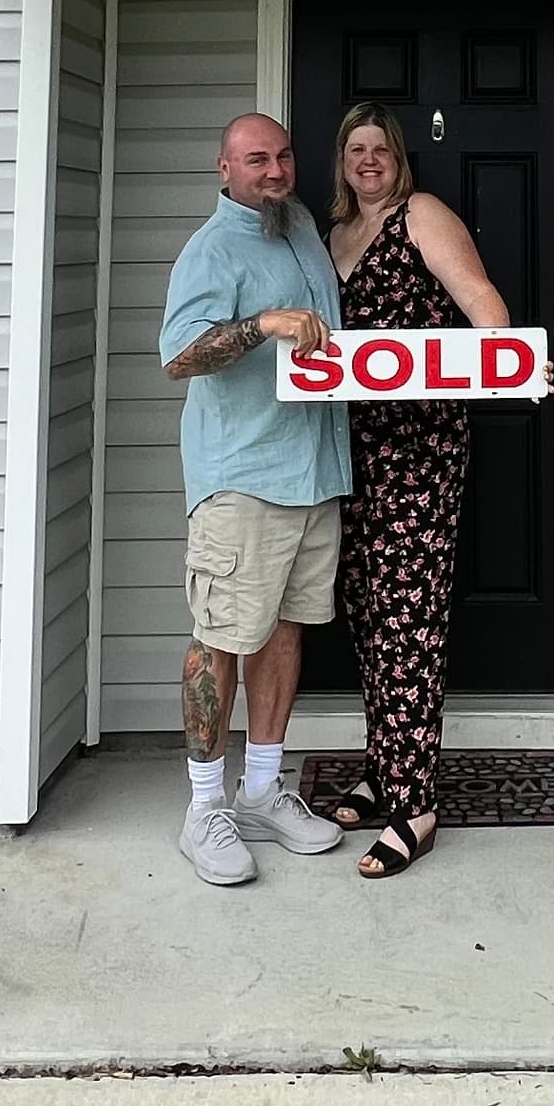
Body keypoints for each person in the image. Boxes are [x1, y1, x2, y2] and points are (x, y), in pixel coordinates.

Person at [155, 112, 353, 886]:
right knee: (221, 637)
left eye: (282, 157)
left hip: (312, 470)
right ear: (224, 169)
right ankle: (205, 809)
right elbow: (178, 356)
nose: (274, 171)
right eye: (256, 160)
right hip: (242, 480)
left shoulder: (299, 223)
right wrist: (262, 323)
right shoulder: (212, 249)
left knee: (283, 633)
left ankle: (264, 789)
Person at [318, 101, 510, 879]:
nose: (368, 160)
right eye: (355, 149)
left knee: (410, 618)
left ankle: (417, 803)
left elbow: (482, 304)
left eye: (380, 149)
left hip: (420, 449)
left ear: (400, 158)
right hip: (348, 451)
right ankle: (383, 767)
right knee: (368, 612)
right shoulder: (331, 237)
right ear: (342, 161)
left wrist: (507, 364)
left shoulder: (420, 215)